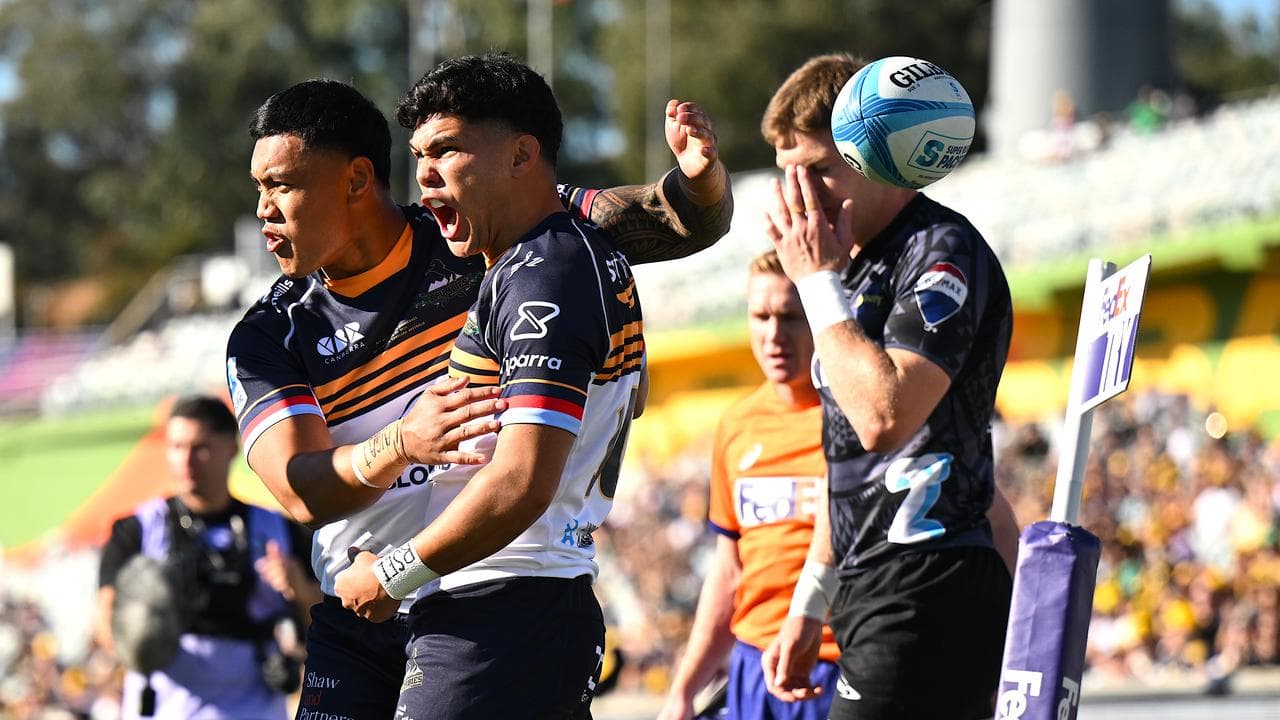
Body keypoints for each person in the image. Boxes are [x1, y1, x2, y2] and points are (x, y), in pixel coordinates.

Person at [227, 71, 729, 719]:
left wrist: (699, 181)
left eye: (281, 185)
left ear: (355, 180)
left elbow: (675, 220)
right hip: (361, 611)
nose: (264, 208)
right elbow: (299, 492)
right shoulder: (270, 333)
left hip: (486, 589)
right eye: (259, 188)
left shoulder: (488, 228)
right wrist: (399, 443)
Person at [330, 50, 655, 720]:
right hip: (519, 606)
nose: (424, 177)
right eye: (418, 156)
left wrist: (393, 574)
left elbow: (523, 479)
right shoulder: (540, 262)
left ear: (521, 155)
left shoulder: (546, 273)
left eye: (446, 150)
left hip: (506, 609)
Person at [757, 54, 1019, 719]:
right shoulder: (854, 266)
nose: (802, 196)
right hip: (868, 585)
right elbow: (845, 454)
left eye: (818, 170)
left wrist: (816, 282)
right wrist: (808, 605)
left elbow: (884, 417)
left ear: (875, 152)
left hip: (930, 582)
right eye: (789, 175)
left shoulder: (939, 249)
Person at [658, 249, 840, 720]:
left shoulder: (857, 418)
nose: (774, 335)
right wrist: (684, 690)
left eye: (791, 316)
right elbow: (729, 571)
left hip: (833, 667)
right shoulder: (737, 426)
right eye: (761, 316)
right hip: (753, 668)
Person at [96, 395, 319, 720]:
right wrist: (139, 633)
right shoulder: (136, 530)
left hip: (254, 704)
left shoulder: (281, 530)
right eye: (175, 447)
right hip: (164, 703)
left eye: (200, 447)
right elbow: (105, 622)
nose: (185, 461)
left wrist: (299, 590)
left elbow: (325, 624)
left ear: (232, 448)